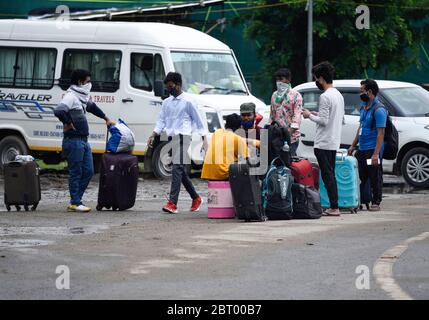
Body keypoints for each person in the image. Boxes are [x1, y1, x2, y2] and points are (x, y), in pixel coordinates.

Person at [54, 69, 114, 212]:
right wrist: (68, 122)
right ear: (80, 82)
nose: (90, 84)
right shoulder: (71, 96)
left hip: (83, 141)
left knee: (88, 171)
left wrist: (106, 118)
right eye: (88, 81)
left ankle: (76, 200)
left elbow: (92, 107)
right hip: (73, 141)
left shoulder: (81, 97)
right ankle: (75, 202)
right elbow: (59, 110)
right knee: (76, 172)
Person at [147, 72, 208, 214]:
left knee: (176, 168)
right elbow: (161, 120)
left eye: (171, 86)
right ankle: (196, 197)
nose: (169, 89)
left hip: (184, 138)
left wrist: (205, 139)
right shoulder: (166, 102)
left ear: (178, 85)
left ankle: (172, 203)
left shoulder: (188, 101)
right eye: (167, 87)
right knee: (179, 170)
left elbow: (199, 121)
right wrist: (153, 134)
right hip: (171, 139)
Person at [302, 61, 344, 216]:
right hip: (333, 140)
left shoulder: (325, 97)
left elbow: (324, 121)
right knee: (331, 173)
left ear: (321, 78)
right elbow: (335, 117)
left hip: (323, 142)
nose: (316, 82)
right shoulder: (338, 95)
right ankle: (334, 205)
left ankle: (334, 206)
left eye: (316, 78)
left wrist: (309, 115)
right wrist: (317, 114)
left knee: (327, 175)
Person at [348, 79, 387, 211]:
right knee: (361, 176)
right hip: (362, 149)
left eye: (362, 91)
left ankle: (376, 202)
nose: (360, 93)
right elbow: (361, 128)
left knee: (374, 175)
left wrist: (376, 154)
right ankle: (363, 200)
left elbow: (381, 133)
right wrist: (353, 145)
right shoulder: (364, 107)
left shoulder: (379, 110)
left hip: (372, 150)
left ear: (369, 91)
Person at [201, 113, 249, 181]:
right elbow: (246, 159)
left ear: (226, 124)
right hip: (222, 173)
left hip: (207, 172)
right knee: (246, 167)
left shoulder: (217, 133)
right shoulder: (238, 139)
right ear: (240, 126)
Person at [270, 68, 303, 156]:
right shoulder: (274, 95)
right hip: (277, 137)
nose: (278, 82)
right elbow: (272, 115)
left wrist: (288, 133)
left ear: (288, 80)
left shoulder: (296, 95)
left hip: (291, 137)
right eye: (277, 79)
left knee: (289, 162)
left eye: (281, 79)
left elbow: (297, 116)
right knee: (278, 163)